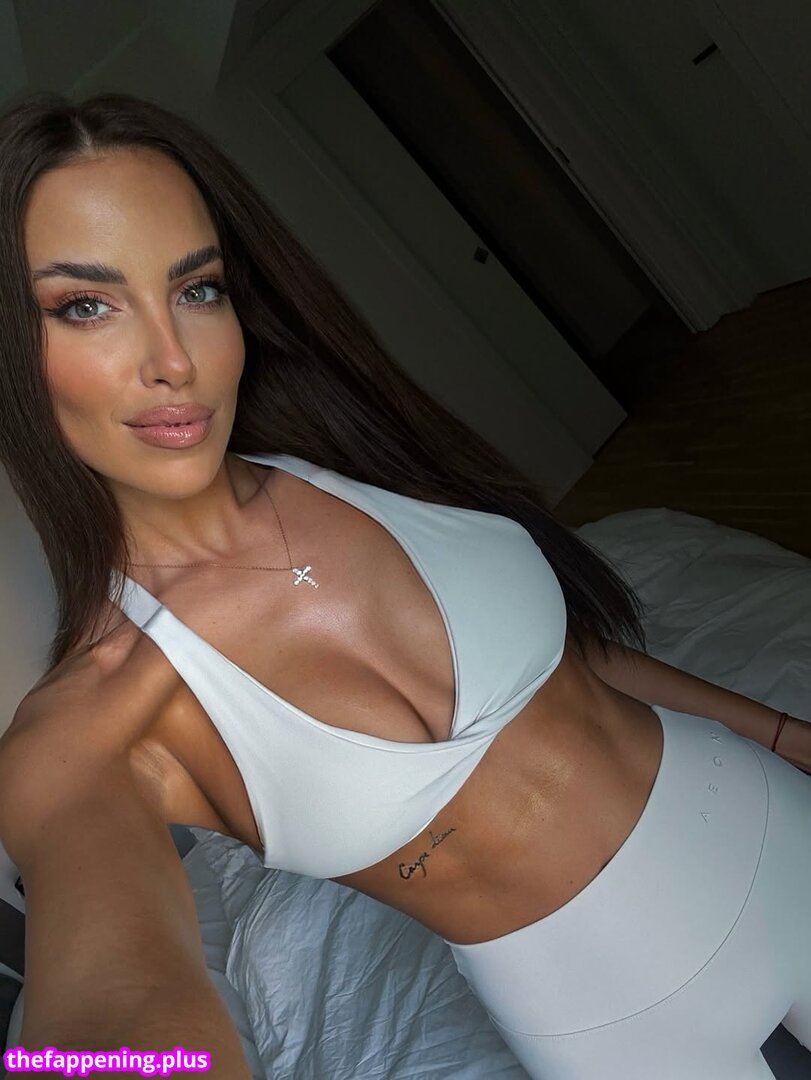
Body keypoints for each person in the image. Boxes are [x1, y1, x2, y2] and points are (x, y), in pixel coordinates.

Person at [0, 91, 808, 1080]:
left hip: (775, 824)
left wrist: (785, 735)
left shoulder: (347, 454)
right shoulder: (87, 733)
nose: (174, 360)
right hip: (623, 1022)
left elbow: (562, 671)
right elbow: (110, 1009)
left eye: (197, 289)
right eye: (85, 306)